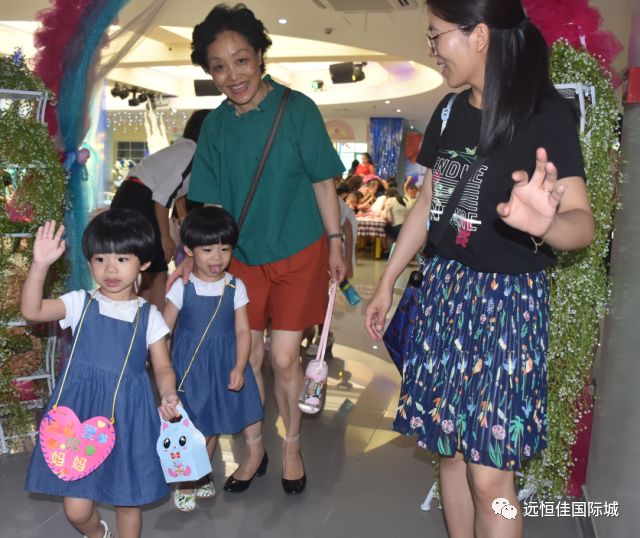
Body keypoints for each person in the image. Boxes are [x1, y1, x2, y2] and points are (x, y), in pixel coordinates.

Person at [364, 1, 594, 537]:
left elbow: (582, 224)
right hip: (445, 293)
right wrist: (387, 280)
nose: (431, 50)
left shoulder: (545, 113)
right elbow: (428, 203)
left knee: (491, 477)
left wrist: (544, 225)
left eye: (436, 36)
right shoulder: (448, 111)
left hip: (508, 306)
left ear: (480, 35)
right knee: (450, 454)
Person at [179, 3, 346, 495]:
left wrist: (336, 243)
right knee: (246, 357)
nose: (233, 76)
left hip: (298, 252)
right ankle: (255, 448)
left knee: (284, 359)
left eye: (241, 60)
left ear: (260, 56)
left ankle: (291, 444)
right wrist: (194, 256)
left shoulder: (298, 110)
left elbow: (323, 182)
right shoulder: (215, 126)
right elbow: (209, 205)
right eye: (219, 67)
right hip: (242, 259)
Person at [22, 210, 181, 538]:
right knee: (76, 509)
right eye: (100, 259)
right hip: (79, 412)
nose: (110, 268)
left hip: (128, 416)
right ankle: (98, 533)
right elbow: (32, 310)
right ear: (90, 262)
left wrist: (168, 392)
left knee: (127, 501)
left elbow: (163, 366)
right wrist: (39, 266)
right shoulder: (80, 303)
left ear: (144, 263)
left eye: (122, 259)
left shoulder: (149, 316)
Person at [163, 206, 263, 511]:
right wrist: (162, 368)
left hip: (222, 365)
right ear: (189, 250)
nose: (217, 257)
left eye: (225, 249)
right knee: (195, 426)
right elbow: (164, 331)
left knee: (212, 422)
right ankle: (189, 480)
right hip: (189, 367)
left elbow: (243, 331)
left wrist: (240, 366)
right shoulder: (182, 286)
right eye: (207, 250)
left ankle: (200, 474)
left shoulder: (235, 286)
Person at [110, 109, 210, 309]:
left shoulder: (187, 150)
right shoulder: (191, 150)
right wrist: (165, 237)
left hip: (132, 196)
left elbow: (177, 195)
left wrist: (183, 226)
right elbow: (162, 198)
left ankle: (140, 318)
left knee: (151, 273)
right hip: (139, 199)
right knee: (157, 271)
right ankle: (155, 324)